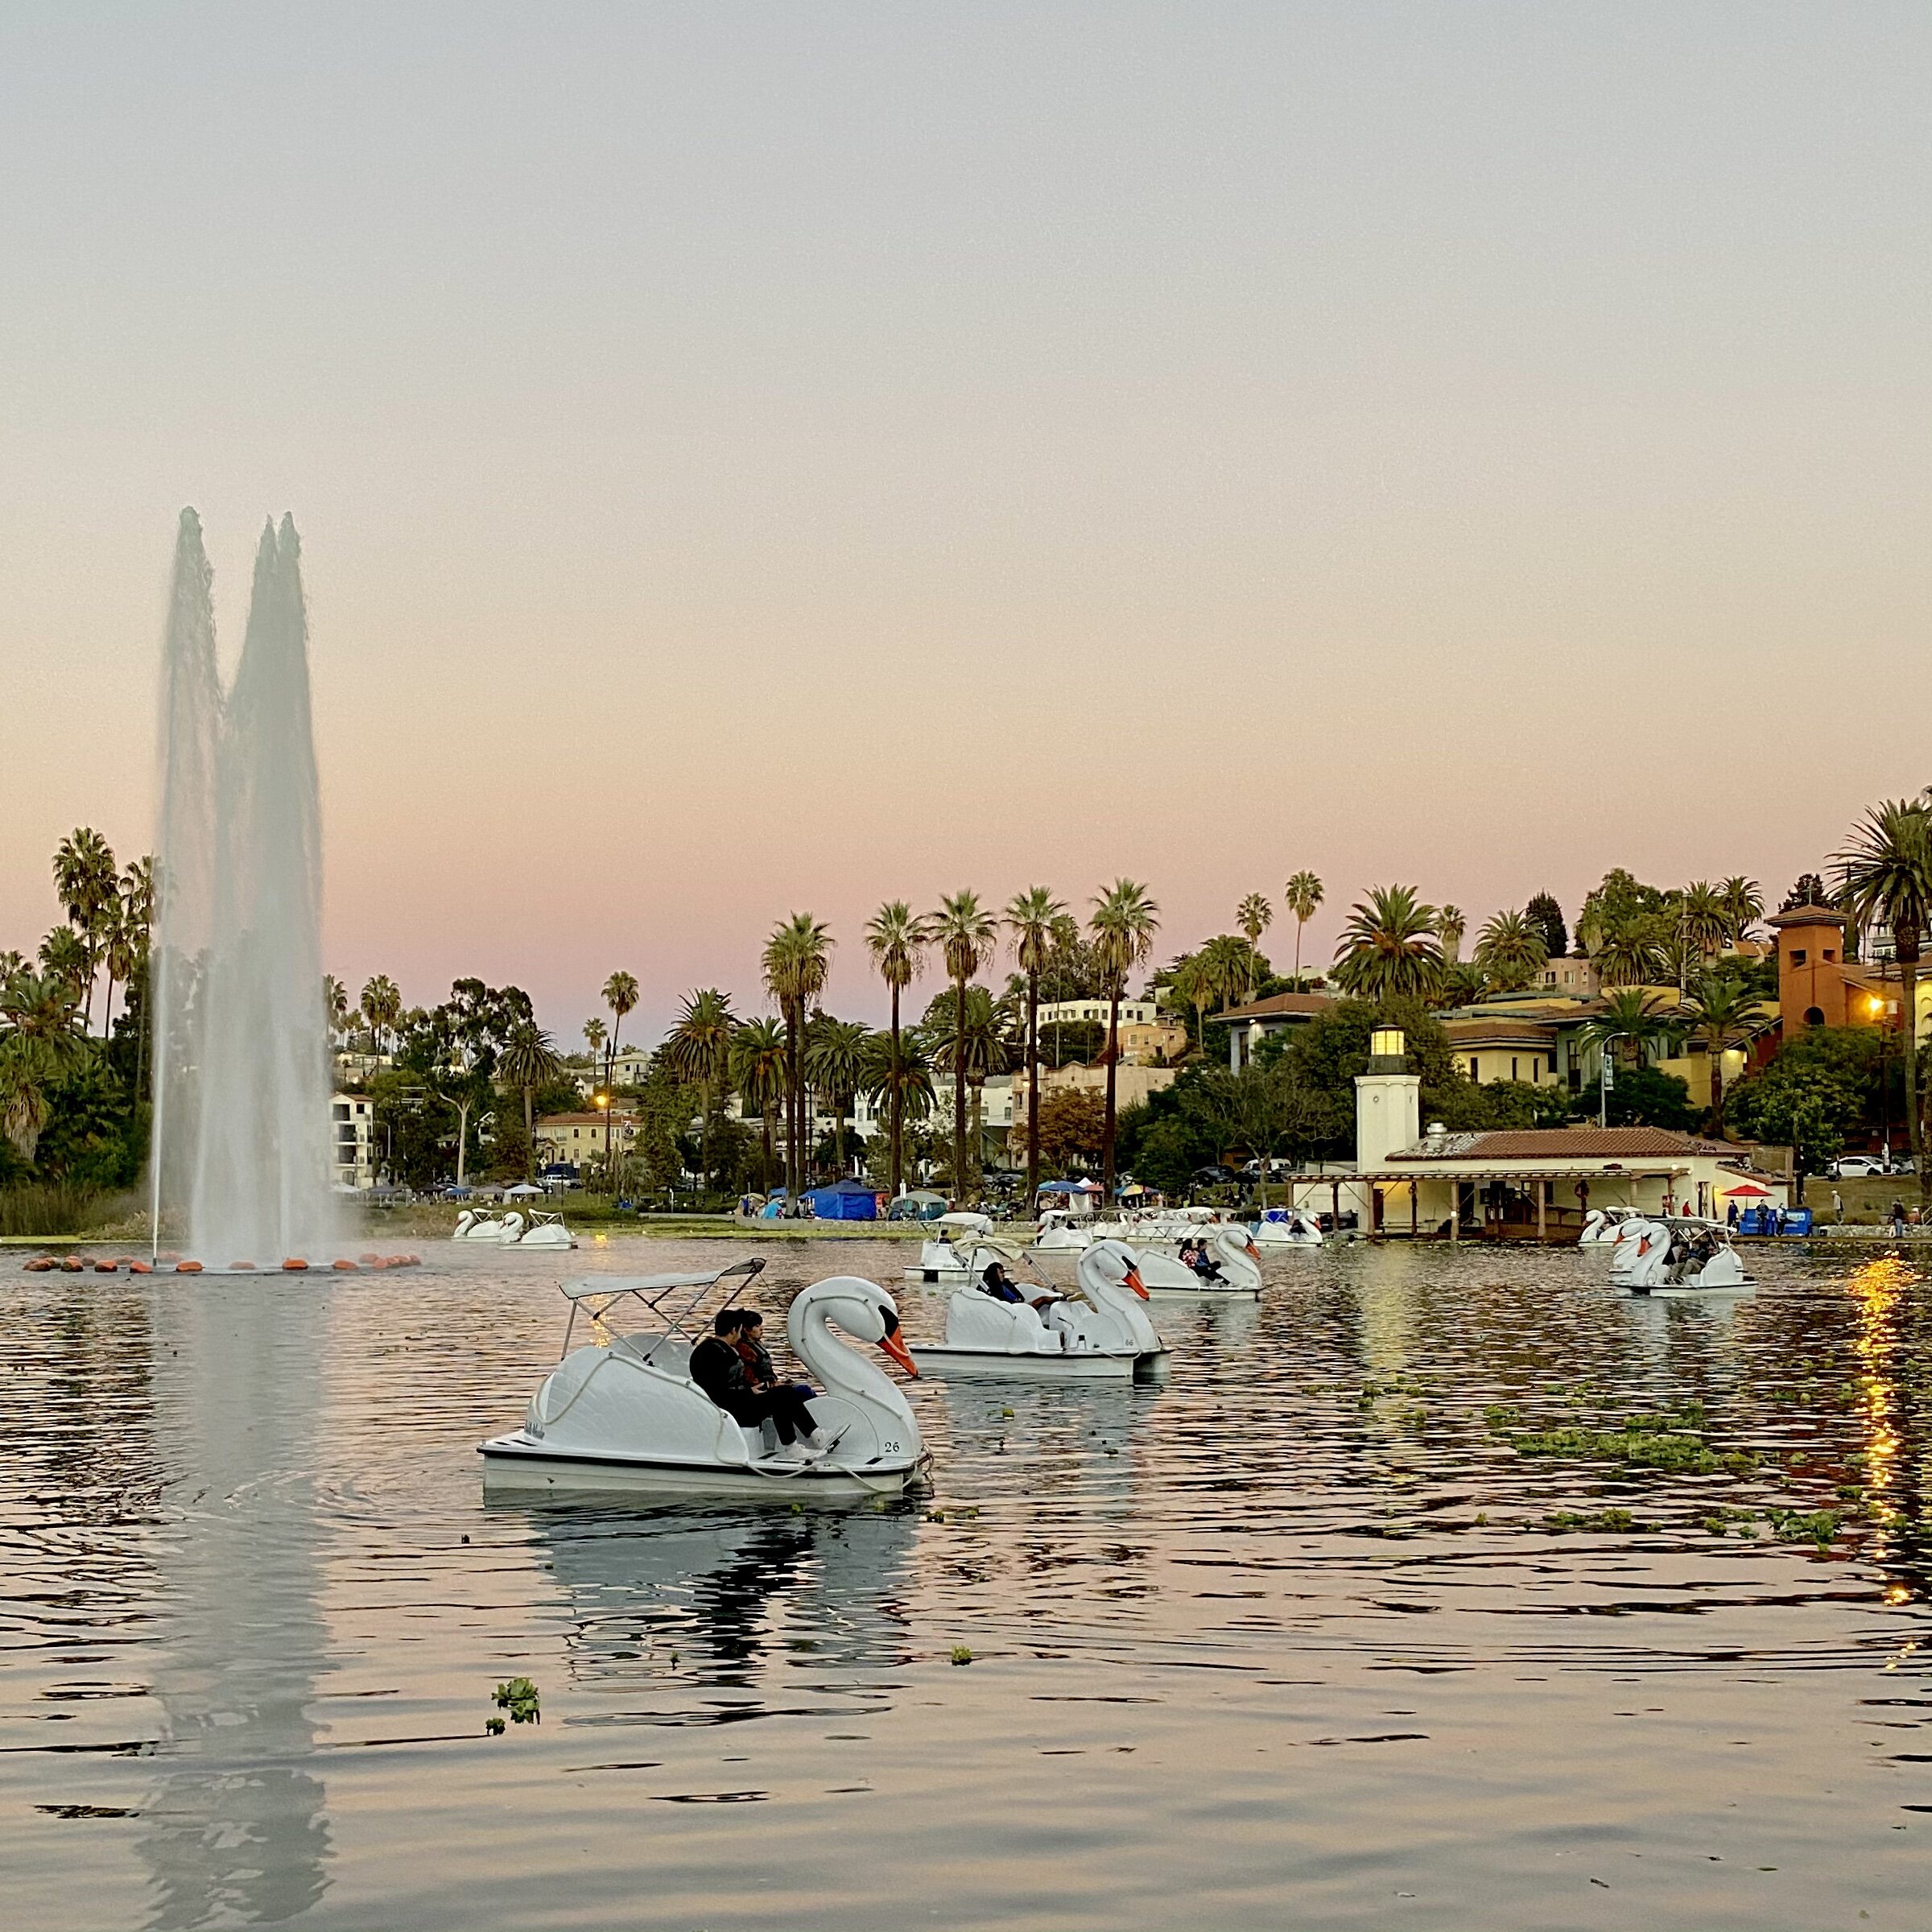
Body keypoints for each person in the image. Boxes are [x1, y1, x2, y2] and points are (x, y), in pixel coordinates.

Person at [690, 1308, 822, 1459]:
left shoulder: (710, 1349)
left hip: (734, 1404)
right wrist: (748, 1393)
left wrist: (750, 1389)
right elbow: (718, 1392)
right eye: (739, 1331)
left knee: (784, 1392)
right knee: (782, 1395)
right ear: (733, 1330)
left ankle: (812, 1436)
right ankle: (801, 1443)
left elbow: (724, 1386)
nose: (740, 1336)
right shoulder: (717, 1353)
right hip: (732, 1411)